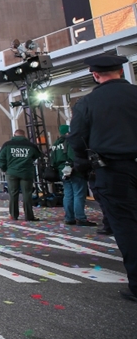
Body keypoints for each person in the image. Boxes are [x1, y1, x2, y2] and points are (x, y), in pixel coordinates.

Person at [67, 54, 137, 303]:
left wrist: (85, 167)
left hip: (112, 169)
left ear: (95, 75)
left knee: (126, 225)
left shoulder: (88, 103)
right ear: (121, 71)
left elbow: (76, 139)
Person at [50, 124, 96, 226]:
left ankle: (69, 218)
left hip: (62, 171)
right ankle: (80, 218)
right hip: (75, 171)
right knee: (79, 194)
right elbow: (73, 156)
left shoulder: (56, 144)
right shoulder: (71, 141)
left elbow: (52, 160)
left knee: (68, 195)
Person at [0, 129, 43, 221]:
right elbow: (38, 155)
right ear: (24, 135)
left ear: (14, 135)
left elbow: (1, 159)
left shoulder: (7, 145)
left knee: (13, 194)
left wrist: (6, 169)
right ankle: (29, 216)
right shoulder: (31, 145)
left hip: (12, 172)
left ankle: (13, 215)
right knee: (27, 194)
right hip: (26, 172)